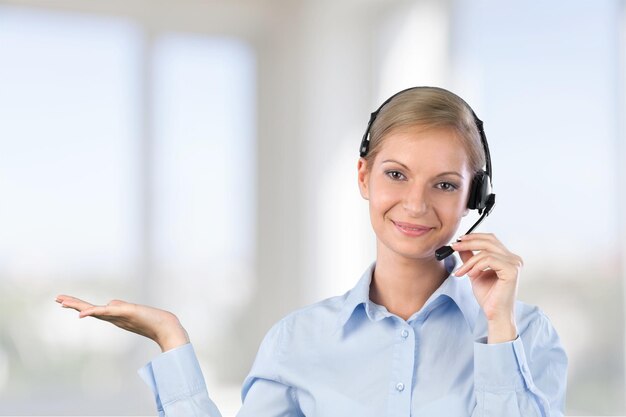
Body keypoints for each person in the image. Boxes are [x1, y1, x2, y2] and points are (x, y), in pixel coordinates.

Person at [57, 86, 568, 417]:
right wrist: (171, 339)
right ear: (364, 176)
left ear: (474, 199)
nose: (415, 204)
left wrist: (499, 332)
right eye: (396, 174)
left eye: (444, 184)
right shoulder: (298, 341)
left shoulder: (526, 337)